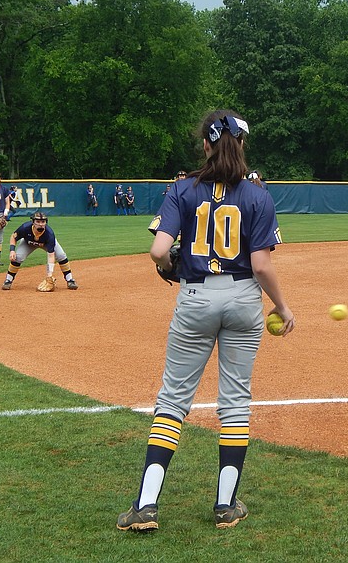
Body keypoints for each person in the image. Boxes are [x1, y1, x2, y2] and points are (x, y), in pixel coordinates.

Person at [117, 109, 294, 532]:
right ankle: (224, 506)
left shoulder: (182, 189)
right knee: (234, 405)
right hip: (244, 299)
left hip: (195, 297)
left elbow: (160, 251)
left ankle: (145, 507)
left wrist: (170, 269)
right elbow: (262, 265)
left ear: (206, 145)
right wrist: (283, 307)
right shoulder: (258, 195)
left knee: (173, 401)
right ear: (243, 145)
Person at [1, 212, 78, 291]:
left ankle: (70, 280)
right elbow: (13, 237)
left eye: (43, 222)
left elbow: (51, 255)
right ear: (33, 222)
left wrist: (49, 275)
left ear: (46, 222)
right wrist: (12, 251)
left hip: (45, 244)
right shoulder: (25, 228)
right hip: (28, 243)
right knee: (18, 257)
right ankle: (8, 280)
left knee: (61, 255)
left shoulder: (49, 234)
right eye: (38, 222)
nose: (40, 224)